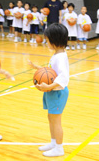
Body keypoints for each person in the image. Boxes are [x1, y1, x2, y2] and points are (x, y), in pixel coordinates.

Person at [29, 23, 69, 157]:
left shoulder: (60, 57)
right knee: (51, 118)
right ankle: (53, 142)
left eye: (47, 40)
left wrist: (48, 87)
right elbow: (51, 72)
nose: (46, 42)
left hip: (57, 92)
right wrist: (38, 68)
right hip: (53, 91)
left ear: (54, 40)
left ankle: (59, 148)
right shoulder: (58, 54)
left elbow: (63, 77)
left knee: (56, 120)